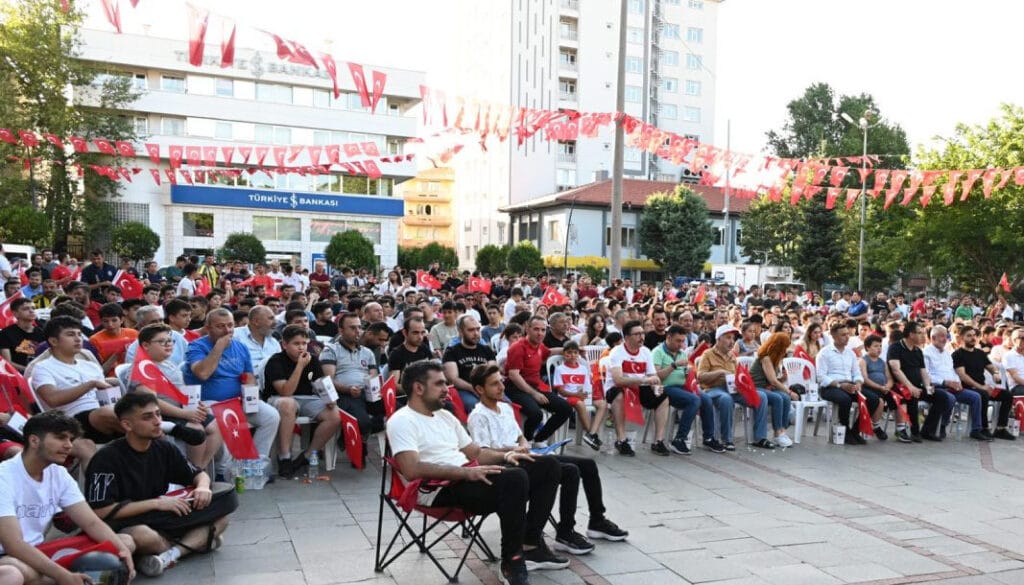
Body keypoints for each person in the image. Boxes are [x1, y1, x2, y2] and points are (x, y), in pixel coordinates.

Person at [387, 361, 564, 584]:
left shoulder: (445, 417)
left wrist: (507, 455)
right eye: (440, 384)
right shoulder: (402, 420)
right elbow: (411, 469)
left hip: (469, 477)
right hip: (437, 489)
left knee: (547, 465)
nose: (447, 389)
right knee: (514, 478)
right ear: (418, 388)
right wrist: (466, 473)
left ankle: (530, 544)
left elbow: (476, 453)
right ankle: (512, 560)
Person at [467, 364, 627, 558]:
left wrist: (523, 444)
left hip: (525, 455)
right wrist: (513, 450)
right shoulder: (478, 416)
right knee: (569, 470)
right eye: (494, 384)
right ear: (480, 389)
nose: (501, 387)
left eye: (501, 382)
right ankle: (559, 533)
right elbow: (483, 453)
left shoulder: (505, 408)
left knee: (587, 464)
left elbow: (520, 436)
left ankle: (596, 521)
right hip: (506, 465)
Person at [84, 393, 231, 577]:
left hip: (161, 518)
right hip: (128, 524)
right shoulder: (106, 458)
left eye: (158, 414)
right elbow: (100, 511)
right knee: (143, 535)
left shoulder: (163, 448)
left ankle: (169, 555)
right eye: (147, 417)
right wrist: (157, 503)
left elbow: (198, 474)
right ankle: (196, 544)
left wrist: (202, 486)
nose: (157, 421)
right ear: (127, 425)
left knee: (222, 518)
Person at [0, 412, 136, 585]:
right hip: (9, 558)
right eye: (61, 438)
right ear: (34, 441)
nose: (68, 445)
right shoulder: (4, 477)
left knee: (124, 542)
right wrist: (62, 575)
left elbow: (91, 523)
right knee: (12, 574)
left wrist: (123, 552)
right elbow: (14, 544)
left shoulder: (59, 474)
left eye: (71, 439)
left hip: (38, 552)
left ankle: (50, 578)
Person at [184, 308, 280, 476]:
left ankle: (254, 464)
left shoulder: (240, 347)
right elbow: (202, 373)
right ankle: (223, 470)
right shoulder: (196, 346)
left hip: (237, 401)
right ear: (208, 328)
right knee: (223, 420)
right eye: (220, 326)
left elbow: (249, 376)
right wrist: (218, 348)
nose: (227, 330)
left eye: (230, 325)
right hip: (209, 403)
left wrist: (250, 392)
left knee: (271, 416)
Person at [31, 316, 123, 470]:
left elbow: (106, 398)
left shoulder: (90, 366)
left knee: (135, 408)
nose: (78, 339)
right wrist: (90, 384)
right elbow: (52, 399)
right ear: (53, 341)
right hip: (71, 421)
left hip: (102, 418)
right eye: (70, 334)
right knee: (108, 414)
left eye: (79, 334)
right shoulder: (42, 367)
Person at [130, 323, 222, 469]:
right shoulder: (142, 368)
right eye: (162, 342)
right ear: (146, 345)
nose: (168, 345)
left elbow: (183, 392)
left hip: (182, 410)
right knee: (195, 429)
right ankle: (193, 471)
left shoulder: (168, 364)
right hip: (160, 415)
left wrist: (197, 406)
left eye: (170, 341)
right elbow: (150, 402)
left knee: (216, 424)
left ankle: (199, 468)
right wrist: (185, 414)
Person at [264, 325, 341, 477]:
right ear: (285, 344)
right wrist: (299, 366)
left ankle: (307, 456)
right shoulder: (276, 361)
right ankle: (284, 457)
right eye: (296, 344)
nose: (301, 347)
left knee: (334, 415)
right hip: (280, 398)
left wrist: (329, 398)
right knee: (288, 404)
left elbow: (321, 382)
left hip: (307, 398)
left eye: (304, 343)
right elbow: (285, 391)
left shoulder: (312, 359)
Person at [652, 325, 723, 454]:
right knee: (694, 400)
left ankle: (708, 437)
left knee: (706, 399)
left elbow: (687, 373)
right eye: (678, 341)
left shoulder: (682, 353)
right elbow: (656, 376)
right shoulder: (658, 352)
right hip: (665, 388)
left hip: (683, 387)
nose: (681, 344)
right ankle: (679, 439)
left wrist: (689, 373)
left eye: (683, 341)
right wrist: (673, 365)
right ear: (669, 338)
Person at [604, 319, 670, 456]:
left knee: (663, 397)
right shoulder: (617, 352)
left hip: (640, 388)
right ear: (627, 337)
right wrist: (643, 380)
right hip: (618, 388)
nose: (642, 337)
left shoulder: (645, 351)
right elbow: (618, 380)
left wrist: (655, 386)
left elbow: (653, 376)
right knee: (619, 394)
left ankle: (658, 441)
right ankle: (621, 440)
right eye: (637, 334)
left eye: (642, 333)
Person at [505, 316, 574, 447]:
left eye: (543, 330)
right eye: (536, 329)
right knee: (536, 414)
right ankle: (527, 440)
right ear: (527, 329)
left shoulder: (539, 345)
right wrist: (534, 394)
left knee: (565, 408)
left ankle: (539, 439)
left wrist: (570, 350)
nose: (540, 333)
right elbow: (514, 375)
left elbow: (549, 352)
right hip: (515, 389)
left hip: (535, 386)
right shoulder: (518, 347)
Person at [816, 322, 881, 445]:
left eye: (847, 334)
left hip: (850, 385)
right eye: (843, 335)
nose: (847, 337)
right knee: (845, 399)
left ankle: (855, 431)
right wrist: (840, 385)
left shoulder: (850, 353)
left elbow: (856, 372)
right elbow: (821, 377)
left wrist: (858, 382)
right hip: (831, 387)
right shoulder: (824, 353)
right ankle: (845, 431)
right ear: (834, 337)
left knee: (874, 399)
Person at [888, 321, 950, 442]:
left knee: (941, 397)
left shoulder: (918, 351)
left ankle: (927, 430)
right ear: (911, 334)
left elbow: (923, 371)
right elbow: (896, 370)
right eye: (920, 333)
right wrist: (910, 387)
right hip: (900, 386)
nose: (923, 336)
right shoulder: (895, 348)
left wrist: (927, 386)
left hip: (917, 387)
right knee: (911, 395)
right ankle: (905, 431)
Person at [923, 325, 987, 441]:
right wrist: (945, 382)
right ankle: (942, 425)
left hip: (952, 386)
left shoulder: (947, 353)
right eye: (941, 336)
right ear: (933, 338)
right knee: (950, 398)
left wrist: (958, 382)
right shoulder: (926, 353)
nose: (945, 339)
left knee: (976, 396)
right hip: (937, 387)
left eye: (946, 336)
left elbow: (953, 371)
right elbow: (926, 375)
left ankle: (976, 430)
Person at [320, 313, 376, 443]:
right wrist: (348, 389)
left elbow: (373, 374)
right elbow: (328, 380)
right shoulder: (330, 350)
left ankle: (349, 438)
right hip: (345, 395)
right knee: (363, 423)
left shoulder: (367, 352)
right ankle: (358, 443)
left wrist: (371, 384)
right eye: (352, 328)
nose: (358, 331)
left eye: (359, 327)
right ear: (341, 330)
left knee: (398, 411)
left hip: (368, 393)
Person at [953, 326, 1014, 440]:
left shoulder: (980, 353)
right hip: (967, 388)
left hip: (982, 387)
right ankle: (983, 428)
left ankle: (1000, 428)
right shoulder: (957, 354)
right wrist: (981, 387)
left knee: (1007, 395)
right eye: (969, 336)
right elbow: (963, 376)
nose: (973, 338)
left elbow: (991, 367)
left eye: (974, 335)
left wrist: (995, 373)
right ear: (961, 338)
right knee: (983, 394)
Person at [551, 340, 606, 449]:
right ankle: (590, 434)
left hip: (581, 396)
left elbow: (587, 386)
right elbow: (560, 391)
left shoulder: (583, 368)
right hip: (566, 397)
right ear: (564, 354)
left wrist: (588, 395)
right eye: (569, 352)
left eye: (575, 352)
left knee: (602, 404)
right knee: (580, 404)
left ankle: (592, 433)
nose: (572, 355)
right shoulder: (560, 369)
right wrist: (576, 395)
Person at [750, 332, 798, 447]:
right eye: (784, 347)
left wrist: (783, 379)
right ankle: (777, 433)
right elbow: (773, 381)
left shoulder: (774, 359)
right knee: (778, 398)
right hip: (756, 387)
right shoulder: (765, 358)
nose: (785, 351)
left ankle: (782, 430)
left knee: (785, 397)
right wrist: (790, 392)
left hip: (766, 387)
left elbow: (774, 380)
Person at [442, 315, 497, 414]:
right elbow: (453, 379)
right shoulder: (451, 352)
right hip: (465, 389)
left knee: (507, 405)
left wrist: (486, 389)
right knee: (476, 407)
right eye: (471, 330)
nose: (476, 333)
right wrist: (472, 388)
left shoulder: (486, 349)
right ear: (460, 331)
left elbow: (493, 371)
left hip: (487, 387)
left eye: (478, 329)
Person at [859, 335, 897, 439]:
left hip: (883, 389)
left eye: (880, 346)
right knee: (879, 401)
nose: (879, 348)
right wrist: (879, 387)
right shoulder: (863, 360)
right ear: (867, 347)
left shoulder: (883, 362)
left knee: (899, 399)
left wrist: (888, 386)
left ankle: (900, 428)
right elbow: (865, 379)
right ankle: (876, 426)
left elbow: (889, 378)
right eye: (875, 346)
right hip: (868, 389)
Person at [89, 303, 139, 375]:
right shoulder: (94, 340)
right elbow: (98, 372)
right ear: (101, 322)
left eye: (114, 320)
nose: (110, 324)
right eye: (106, 321)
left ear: (122, 320)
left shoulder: (134, 334)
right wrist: (116, 354)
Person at [0, 299, 44, 372]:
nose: (31, 311)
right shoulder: (5, 333)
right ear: (15, 314)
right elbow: (7, 363)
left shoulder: (42, 332)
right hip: (17, 375)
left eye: (33, 308)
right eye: (26, 309)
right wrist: (29, 371)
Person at [386, 317, 432, 385]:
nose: (420, 337)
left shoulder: (424, 348)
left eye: (422, 333)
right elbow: (394, 384)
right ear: (405, 333)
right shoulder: (396, 354)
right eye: (415, 333)